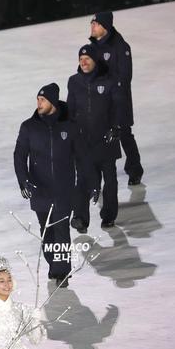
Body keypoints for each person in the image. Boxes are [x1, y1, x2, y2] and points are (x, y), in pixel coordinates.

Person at [13, 83, 99, 287]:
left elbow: (83, 158)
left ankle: (62, 272)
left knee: (61, 231)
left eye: (42, 100)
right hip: (39, 190)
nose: (38, 103)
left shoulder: (69, 126)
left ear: (52, 102)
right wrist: (23, 181)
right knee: (47, 232)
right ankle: (54, 266)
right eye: (38, 99)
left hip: (63, 190)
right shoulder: (29, 126)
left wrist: (94, 183)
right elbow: (19, 155)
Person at [67, 44, 127, 232]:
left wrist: (116, 127)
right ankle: (80, 218)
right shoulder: (74, 81)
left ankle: (108, 216)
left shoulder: (109, 81)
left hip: (106, 140)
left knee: (109, 181)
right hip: (83, 141)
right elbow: (70, 109)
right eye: (80, 59)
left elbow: (119, 107)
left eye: (87, 59)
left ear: (95, 60)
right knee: (83, 180)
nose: (83, 62)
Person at [89, 11, 144, 185]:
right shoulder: (94, 47)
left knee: (124, 135)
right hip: (100, 102)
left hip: (118, 101)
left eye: (95, 24)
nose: (92, 26)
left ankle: (135, 169)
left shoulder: (121, 47)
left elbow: (125, 77)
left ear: (105, 26)